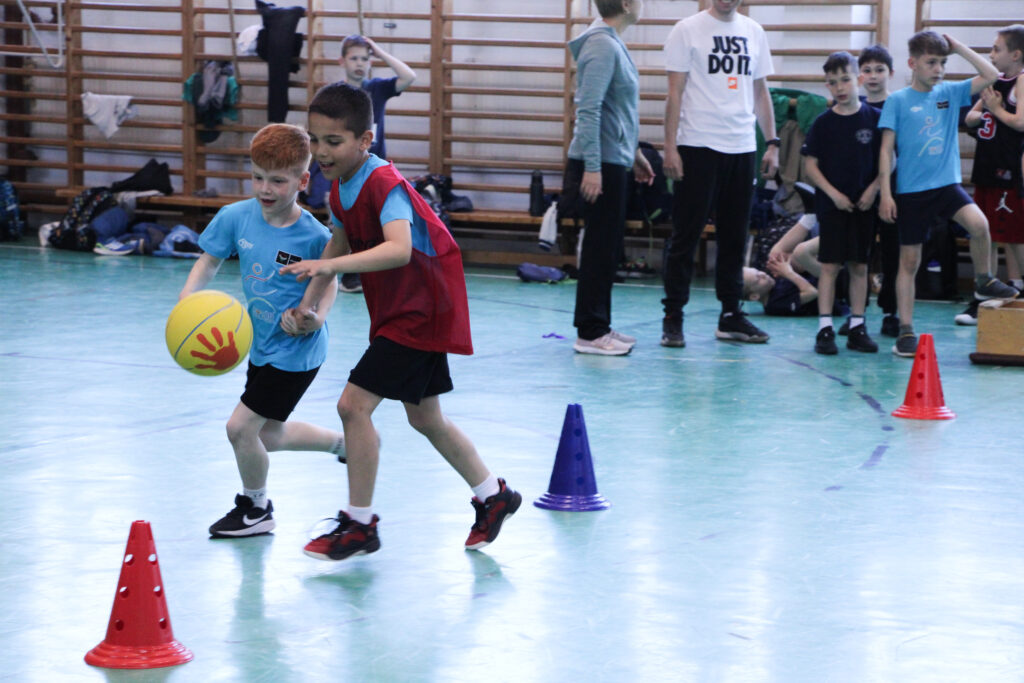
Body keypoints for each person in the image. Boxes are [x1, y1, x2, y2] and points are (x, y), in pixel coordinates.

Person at [280, 83, 521, 562]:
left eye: (334, 141)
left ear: (365, 140)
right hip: (401, 306)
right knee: (424, 416)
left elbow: (399, 249)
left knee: (353, 407)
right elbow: (338, 243)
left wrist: (330, 268)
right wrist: (309, 303)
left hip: (422, 308)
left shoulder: (384, 184)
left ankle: (359, 524)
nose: (322, 152)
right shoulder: (340, 186)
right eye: (316, 140)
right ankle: (493, 495)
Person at [178, 123, 345, 539]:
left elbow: (329, 280)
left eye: (277, 180)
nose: (265, 189)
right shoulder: (236, 217)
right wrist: (187, 300)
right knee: (267, 434)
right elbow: (209, 260)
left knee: (239, 428)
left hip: (297, 351)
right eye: (257, 177)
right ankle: (344, 445)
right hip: (262, 346)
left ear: (302, 182)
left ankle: (256, 508)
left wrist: (315, 316)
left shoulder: (314, 235)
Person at [878, 31, 1020, 357]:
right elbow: (886, 151)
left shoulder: (949, 92)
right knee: (909, 262)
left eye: (942, 63)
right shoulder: (898, 101)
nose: (938, 69)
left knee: (980, 225)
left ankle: (983, 281)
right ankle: (906, 330)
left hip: (946, 186)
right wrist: (886, 194)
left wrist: (959, 48)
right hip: (912, 192)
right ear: (913, 64)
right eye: (931, 63)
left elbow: (991, 75)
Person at [661, 0, 780, 348]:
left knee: (734, 237)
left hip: (741, 148)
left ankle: (730, 314)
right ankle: (673, 316)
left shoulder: (754, 31)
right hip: (698, 145)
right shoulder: (687, 30)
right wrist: (670, 147)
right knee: (686, 236)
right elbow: (674, 92)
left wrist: (772, 142)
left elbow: (760, 91)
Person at [565, 0, 653, 356]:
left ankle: (600, 323)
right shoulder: (601, 44)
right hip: (598, 163)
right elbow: (589, 109)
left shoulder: (612, 42)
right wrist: (593, 167)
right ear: (627, 4)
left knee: (608, 248)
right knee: (599, 248)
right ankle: (590, 332)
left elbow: (619, 111)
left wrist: (635, 155)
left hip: (614, 160)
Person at [802, 51, 881, 355]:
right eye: (833, 83)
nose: (840, 87)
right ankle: (825, 328)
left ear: (858, 80)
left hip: (864, 206)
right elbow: (810, 166)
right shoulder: (823, 123)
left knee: (860, 265)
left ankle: (858, 325)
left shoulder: (875, 118)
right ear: (828, 86)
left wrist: (873, 190)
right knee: (830, 265)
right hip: (832, 207)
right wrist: (833, 194)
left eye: (845, 80)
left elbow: (889, 160)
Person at [336, 34, 417, 294]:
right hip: (346, 169)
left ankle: (369, 274)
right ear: (342, 61)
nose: (359, 63)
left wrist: (379, 51)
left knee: (377, 221)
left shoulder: (377, 89)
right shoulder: (336, 95)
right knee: (348, 223)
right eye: (354, 58)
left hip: (374, 168)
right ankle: (346, 275)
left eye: (364, 58)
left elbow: (409, 76)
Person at [959, 25, 1024, 325]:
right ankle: (985, 292)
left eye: (997, 49)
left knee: (1014, 236)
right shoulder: (993, 80)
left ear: (1016, 54)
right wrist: (986, 110)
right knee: (985, 234)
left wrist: (995, 110)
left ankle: (1015, 289)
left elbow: (1021, 122)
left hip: (1008, 171)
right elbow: (971, 116)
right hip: (985, 168)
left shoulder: (1021, 81)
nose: (991, 53)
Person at [858, 43, 900, 338]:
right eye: (867, 70)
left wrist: (878, 189)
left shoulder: (897, 106)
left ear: (891, 73)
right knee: (858, 254)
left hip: (891, 192)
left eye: (879, 70)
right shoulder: (854, 107)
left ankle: (890, 312)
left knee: (892, 253)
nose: (873, 76)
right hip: (859, 195)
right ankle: (856, 313)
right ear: (859, 75)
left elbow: (894, 155)